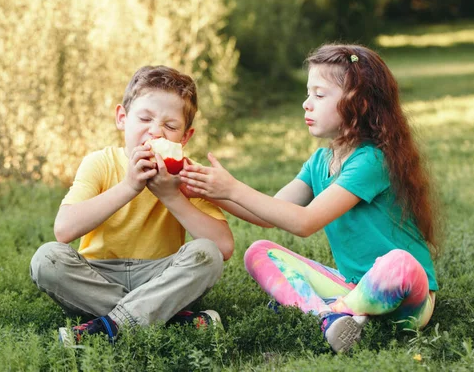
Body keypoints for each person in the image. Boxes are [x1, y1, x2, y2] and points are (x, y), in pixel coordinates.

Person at [179, 44, 441, 354]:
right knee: (259, 252)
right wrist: (210, 188)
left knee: (401, 263)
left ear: (359, 103)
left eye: (319, 95)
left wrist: (233, 188)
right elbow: (268, 214)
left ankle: (330, 312)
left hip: (406, 297)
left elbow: (305, 223)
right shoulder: (320, 162)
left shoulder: (372, 161)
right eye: (308, 93)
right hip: (353, 285)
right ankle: (335, 319)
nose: (306, 104)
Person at [30, 65, 234, 345]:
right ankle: (167, 318)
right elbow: (64, 230)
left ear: (185, 137)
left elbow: (222, 248)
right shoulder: (99, 163)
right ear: (122, 118)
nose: (155, 132)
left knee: (206, 254)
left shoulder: (187, 172)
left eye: (170, 126)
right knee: (47, 259)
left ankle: (109, 327)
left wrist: (172, 195)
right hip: (97, 275)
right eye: (145, 118)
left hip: (160, 275)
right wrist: (129, 186)